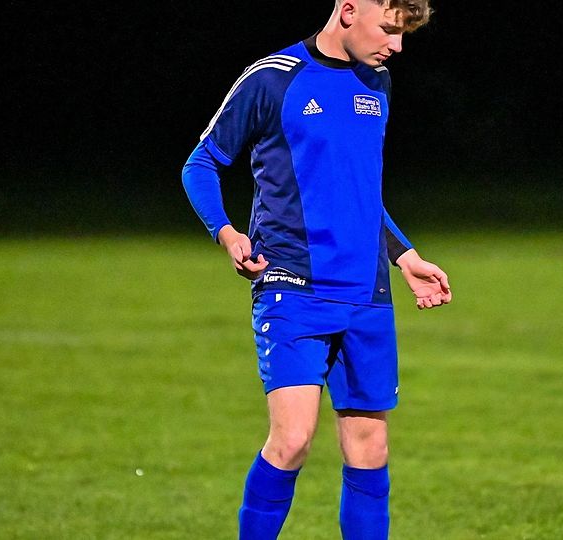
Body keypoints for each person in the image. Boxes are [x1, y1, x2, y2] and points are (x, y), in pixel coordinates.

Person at [181, 1, 448, 538]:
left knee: (370, 448)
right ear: (349, 11)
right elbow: (201, 162)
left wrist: (404, 255)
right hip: (293, 284)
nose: (396, 46)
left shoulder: (377, 82)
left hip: (367, 292)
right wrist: (227, 233)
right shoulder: (273, 78)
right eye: (389, 30)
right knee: (293, 440)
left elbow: (359, 191)